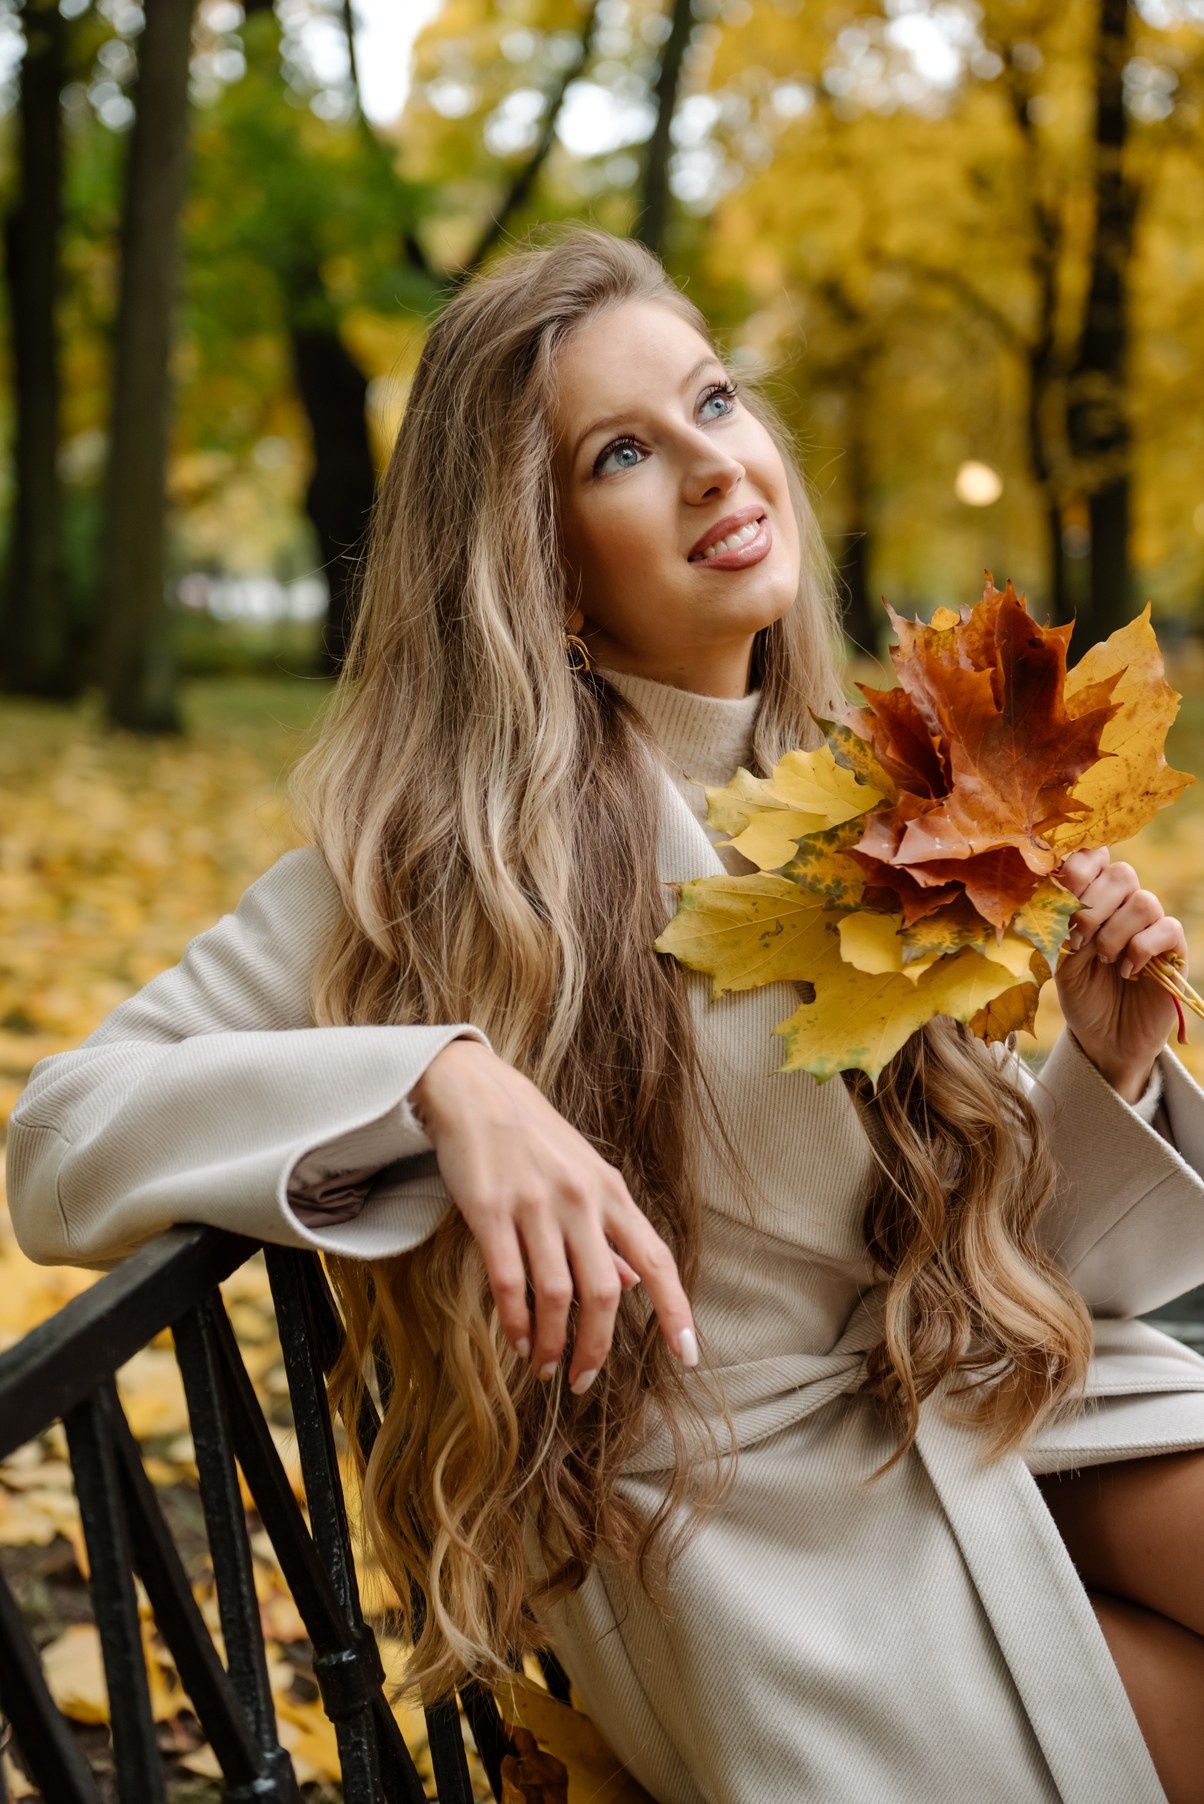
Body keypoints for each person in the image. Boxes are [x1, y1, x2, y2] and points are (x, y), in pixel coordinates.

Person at [9, 226, 1204, 1804]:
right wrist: (441, 1081)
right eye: (623, 453)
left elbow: (993, 1255)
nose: (714, 468)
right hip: (777, 1539)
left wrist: (1104, 1062)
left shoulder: (873, 785)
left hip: (982, 1393)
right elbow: (58, 1138)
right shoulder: (442, 870)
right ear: (536, 565)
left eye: (714, 403)